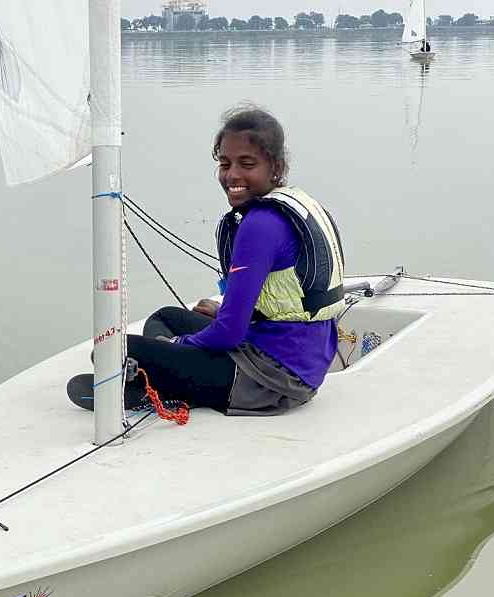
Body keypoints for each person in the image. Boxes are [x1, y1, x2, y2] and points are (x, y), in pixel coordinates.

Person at [67, 105, 345, 417]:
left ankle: (164, 388)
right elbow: (285, 300)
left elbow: (229, 333)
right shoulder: (296, 204)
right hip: (302, 366)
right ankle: (170, 376)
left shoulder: (260, 225)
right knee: (166, 316)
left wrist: (178, 344)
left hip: (270, 380)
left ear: (276, 167)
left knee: (108, 351)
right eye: (225, 163)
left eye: (247, 163)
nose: (232, 175)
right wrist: (209, 322)